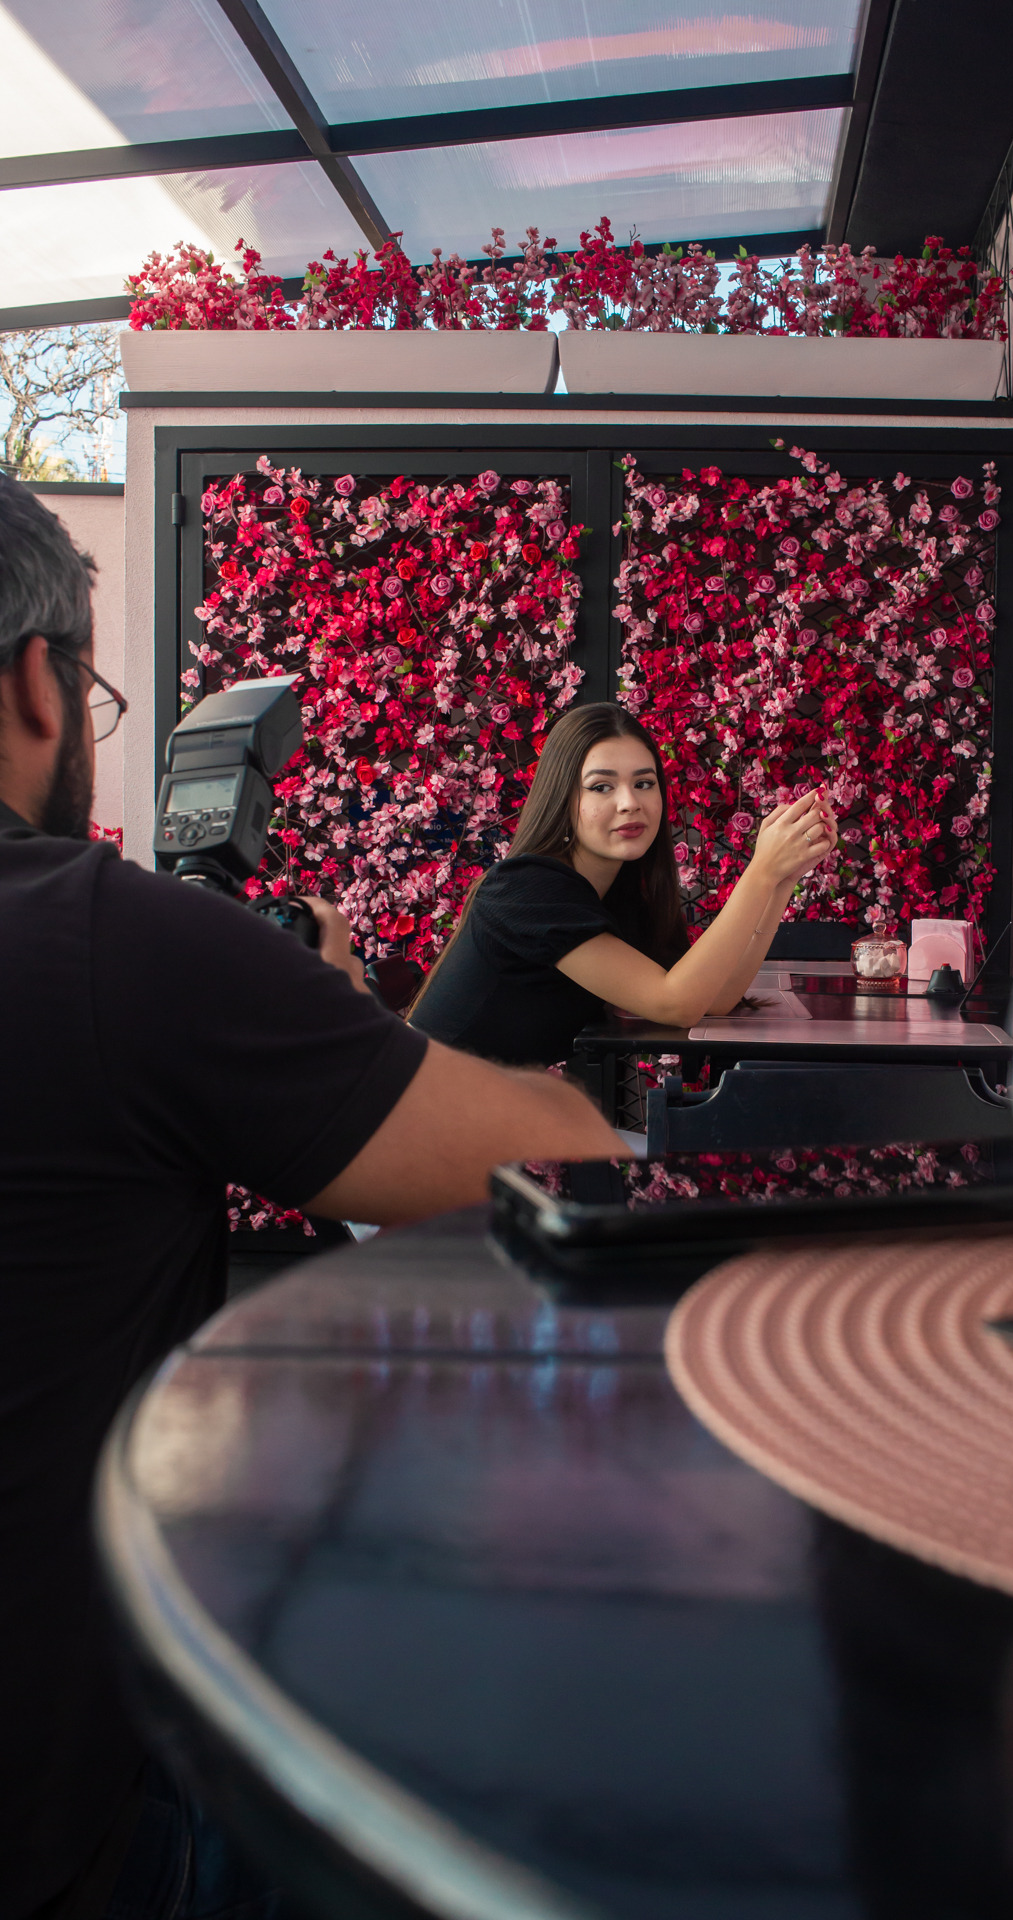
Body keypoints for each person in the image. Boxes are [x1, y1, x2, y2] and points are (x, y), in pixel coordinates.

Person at [0, 478, 622, 1920]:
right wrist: (333, 1016)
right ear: (38, 681)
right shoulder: (114, 947)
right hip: (72, 1830)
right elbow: (568, 1154)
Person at [410, 702, 838, 1066]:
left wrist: (781, 881)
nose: (630, 802)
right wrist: (760, 872)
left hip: (485, 1112)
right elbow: (678, 1003)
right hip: (422, 1117)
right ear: (563, 798)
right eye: (601, 787)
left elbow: (714, 999)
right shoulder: (527, 888)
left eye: (644, 783)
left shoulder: (612, 894)